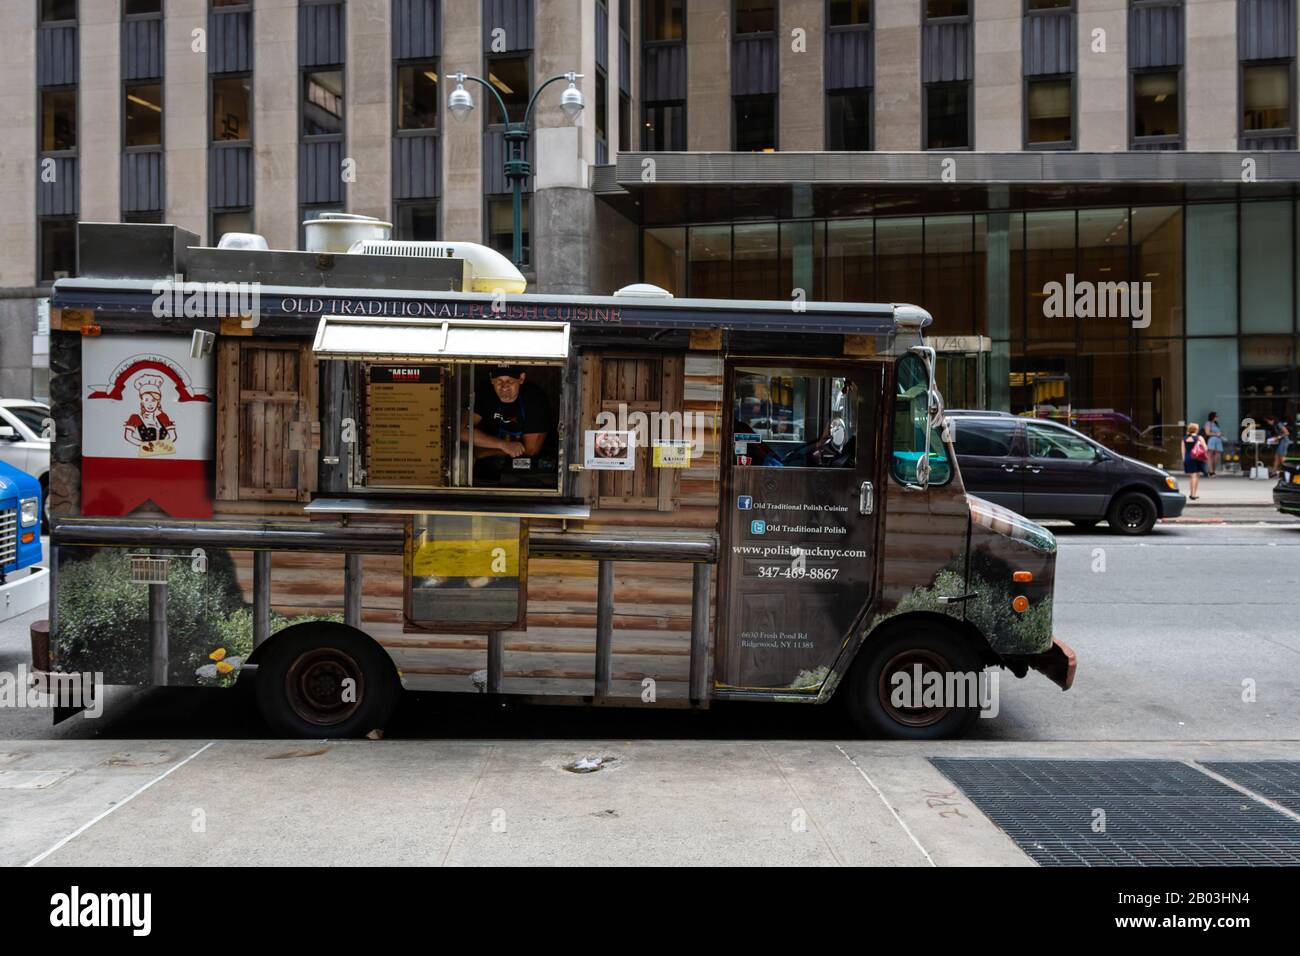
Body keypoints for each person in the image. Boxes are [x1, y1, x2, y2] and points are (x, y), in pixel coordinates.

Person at [464, 364, 554, 482]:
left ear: (521, 379)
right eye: (499, 381)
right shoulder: (484, 393)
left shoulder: (534, 399)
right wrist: (503, 445)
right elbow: (462, 431)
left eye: (510, 381)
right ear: (492, 379)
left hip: (526, 472)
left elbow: (531, 449)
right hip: (486, 469)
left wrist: (483, 450)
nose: (504, 386)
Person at [1182, 421, 1207, 500]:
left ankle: (1192, 493)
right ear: (1196, 429)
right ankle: (1193, 494)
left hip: (1188, 457)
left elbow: (1183, 451)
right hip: (1197, 457)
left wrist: (1184, 460)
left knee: (1192, 476)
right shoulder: (1199, 438)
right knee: (1196, 476)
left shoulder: (1184, 439)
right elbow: (1205, 448)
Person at [1203, 411, 1224, 477]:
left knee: (1217, 456)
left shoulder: (1216, 424)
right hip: (1212, 440)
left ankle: (1212, 470)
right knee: (1210, 456)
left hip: (1218, 440)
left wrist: (1220, 434)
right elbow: (1207, 433)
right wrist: (1216, 434)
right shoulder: (1208, 423)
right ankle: (1211, 472)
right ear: (1213, 417)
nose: (1217, 417)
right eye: (1216, 416)